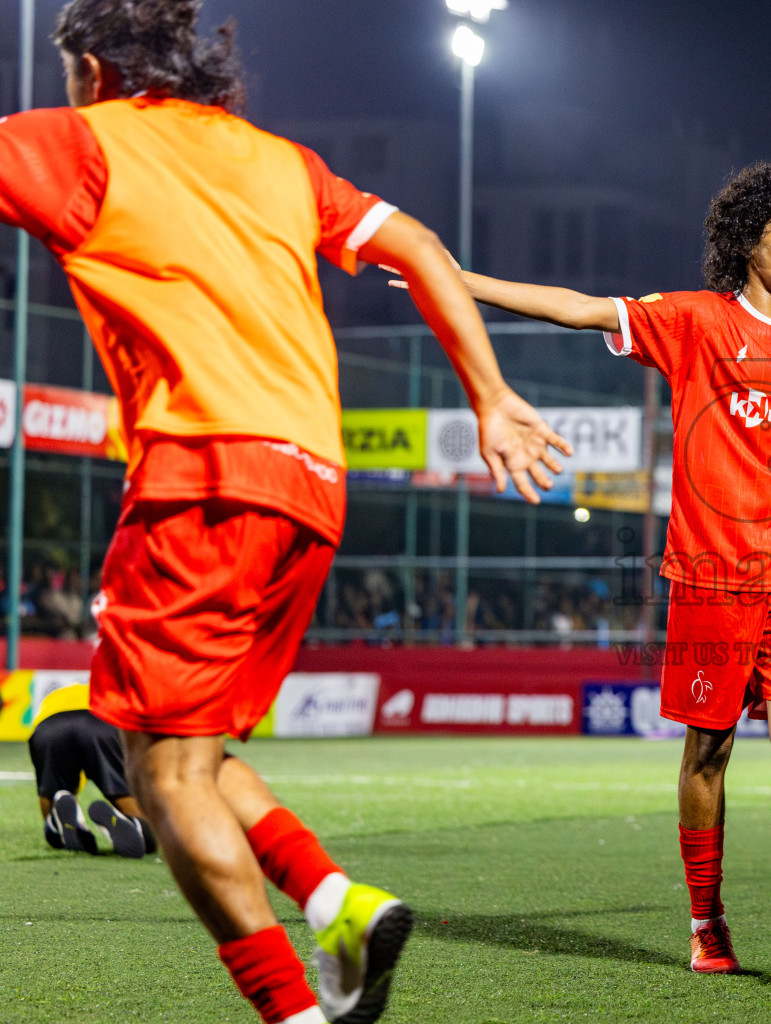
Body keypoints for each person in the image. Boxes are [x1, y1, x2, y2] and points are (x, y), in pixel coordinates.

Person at [0, 3, 570, 1022]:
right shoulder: (281, 163)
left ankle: (290, 1011)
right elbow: (425, 249)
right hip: (311, 486)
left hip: (202, 482)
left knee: (165, 778)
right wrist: (489, 396)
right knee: (190, 751)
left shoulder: (82, 144)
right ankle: (335, 900)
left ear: (90, 68)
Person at [411, 159, 771, 976]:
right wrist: (446, 277)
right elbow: (578, 310)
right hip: (711, 579)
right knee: (710, 751)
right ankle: (706, 923)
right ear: (746, 236)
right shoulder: (692, 321)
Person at [29, 682, 157, 858]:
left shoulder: (55, 697)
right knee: (123, 797)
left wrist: (58, 798)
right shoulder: (110, 691)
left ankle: (58, 824)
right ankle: (136, 825)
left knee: (55, 795)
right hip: (102, 720)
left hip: (49, 725)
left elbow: (45, 791)